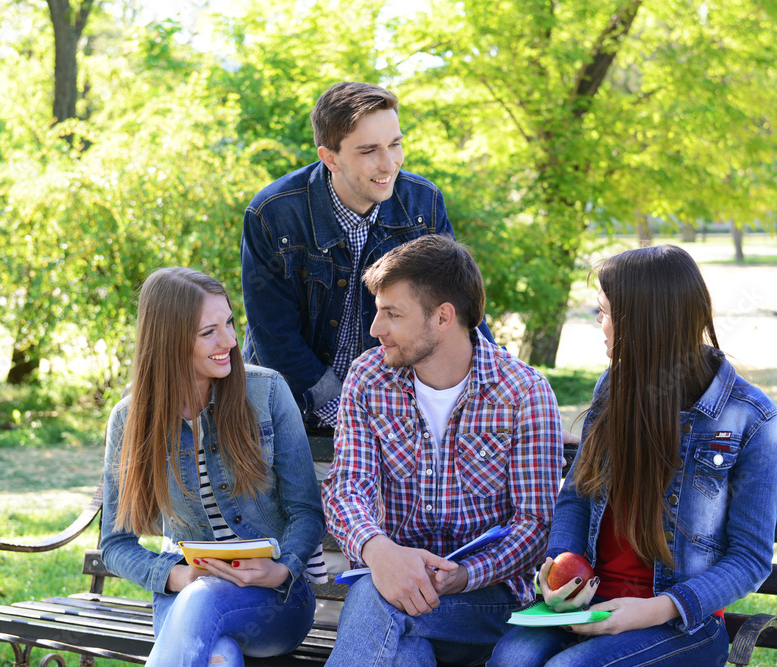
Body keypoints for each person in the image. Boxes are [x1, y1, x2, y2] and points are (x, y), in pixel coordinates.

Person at [489, 245, 777, 667]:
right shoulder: (614, 388)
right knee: (511, 662)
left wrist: (651, 609)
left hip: (682, 623)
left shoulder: (752, 420)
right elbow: (577, 496)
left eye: (605, 312)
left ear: (644, 323)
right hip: (589, 607)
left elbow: (750, 558)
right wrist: (561, 567)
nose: (600, 324)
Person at [321, 235, 564, 666]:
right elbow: (346, 488)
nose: (376, 329)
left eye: (392, 314)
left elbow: (535, 526)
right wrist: (380, 553)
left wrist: (463, 576)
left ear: (443, 317)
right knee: (404, 652)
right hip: (394, 584)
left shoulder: (523, 392)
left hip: (490, 603)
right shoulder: (369, 378)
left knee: (376, 601)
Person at [100, 267, 325, 666]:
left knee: (204, 605)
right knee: (218, 656)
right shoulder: (129, 419)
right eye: (209, 332)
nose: (229, 342)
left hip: (274, 602)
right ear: (168, 341)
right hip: (186, 597)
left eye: (230, 323)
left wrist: (281, 569)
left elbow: (306, 511)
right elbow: (115, 544)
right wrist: (177, 576)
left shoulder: (268, 391)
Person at [240, 81, 493, 432]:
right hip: (291, 410)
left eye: (395, 144)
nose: (389, 163)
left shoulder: (423, 204)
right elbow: (273, 335)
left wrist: (510, 394)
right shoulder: (274, 214)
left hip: (388, 409)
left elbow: (461, 309)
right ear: (330, 157)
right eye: (369, 150)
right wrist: (348, 415)